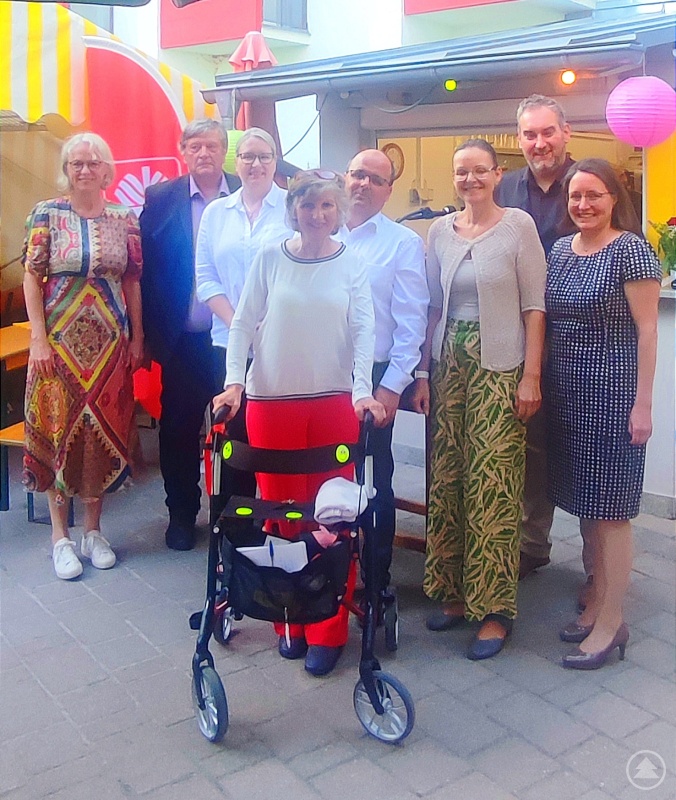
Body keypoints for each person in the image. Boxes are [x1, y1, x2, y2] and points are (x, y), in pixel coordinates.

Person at [213, 170, 385, 677]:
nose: (318, 215)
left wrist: (362, 391)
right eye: (308, 207)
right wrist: (234, 383)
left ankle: (327, 627)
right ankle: (285, 618)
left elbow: (363, 328)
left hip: (333, 404)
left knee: (332, 516)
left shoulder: (350, 262)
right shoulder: (270, 257)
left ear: (338, 212)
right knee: (281, 515)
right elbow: (243, 322)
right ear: (294, 211)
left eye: (327, 207)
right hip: (272, 403)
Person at [412, 139, 546, 660]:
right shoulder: (439, 232)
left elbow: (535, 307)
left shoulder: (518, 227)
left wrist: (530, 376)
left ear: (497, 173)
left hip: (501, 368)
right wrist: (424, 371)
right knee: (447, 478)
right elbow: (432, 306)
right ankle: (451, 592)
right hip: (449, 366)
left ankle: (495, 609)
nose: (470, 180)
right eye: (461, 172)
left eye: (479, 171)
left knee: (493, 481)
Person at [546, 159, 661, 670]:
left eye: (594, 195)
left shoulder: (631, 250)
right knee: (588, 507)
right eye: (576, 196)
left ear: (615, 198)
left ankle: (613, 622)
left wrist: (644, 404)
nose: (584, 205)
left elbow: (648, 332)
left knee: (612, 514)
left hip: (614, 394)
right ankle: (595, 600)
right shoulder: (560, 250)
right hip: (567, 395)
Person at [22, 132, 144, 580]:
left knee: (101, 435)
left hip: (109, 349)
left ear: (106, 169)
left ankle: (94, 531)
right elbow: (32, 278)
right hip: (57, 349)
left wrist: (137, 336)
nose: (86, 170)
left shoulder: (123, 217)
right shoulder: (46, 214)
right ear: (67, 169)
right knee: (61, 434)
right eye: (77, 163)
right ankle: (60, 537)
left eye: (94, 163)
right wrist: (38, 337)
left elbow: (132, 280)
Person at [140, 120, 240, 551]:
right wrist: (145, 335)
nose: (204, 153)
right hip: (182, 341)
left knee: (236, 435)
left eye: (212, 145)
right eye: (195, 146)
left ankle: (232, 516)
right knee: (178, 432)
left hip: (233, 344)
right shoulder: (160, 198)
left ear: (224, 152)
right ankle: (181, 514)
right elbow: (145, 270)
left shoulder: (245, 191)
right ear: (182, 151)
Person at [494, 94, 581, 583]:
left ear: (565, 133)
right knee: (524, 443)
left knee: (578, 446)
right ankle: (529, 543)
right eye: (530, 134)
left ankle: (597, 564)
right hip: (517, 334)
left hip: (575, 339)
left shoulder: (590, 183)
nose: (540, 142)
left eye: (548, 132)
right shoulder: (504, 187)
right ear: (519, 138)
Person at [339, 149, 428, 598]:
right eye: (357, 175)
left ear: (388, 190)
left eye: (375, 179)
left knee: (372, 480)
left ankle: (375, 581)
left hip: (373, 379)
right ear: (344, 177)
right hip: (320, 375)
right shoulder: (318, 230)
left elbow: (411, 324)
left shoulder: (402, 243)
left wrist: (392, 388)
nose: (363, 184)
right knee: (323, 477)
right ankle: (329, 573)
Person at [195, 127, 292, 517]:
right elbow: (205, 277)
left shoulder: (293, 208)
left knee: (277, 445)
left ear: (275, 162)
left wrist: (264, 327)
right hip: (229, 347)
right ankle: (235, 538)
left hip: (283, 348)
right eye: (248, 157)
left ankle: (280, 532)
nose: (256, 164)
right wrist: (241, 326)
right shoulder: (216, 213)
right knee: (234, 446)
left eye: (264, 156)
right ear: (237, 163)